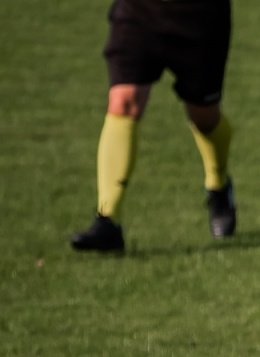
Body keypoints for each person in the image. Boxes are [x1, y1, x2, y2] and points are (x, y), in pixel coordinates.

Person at [71, 0, 238, 253]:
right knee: (124, 101)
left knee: (203, 116)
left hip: (200, 18)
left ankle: (218, 183)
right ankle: (108, 220)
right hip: (139, 12)